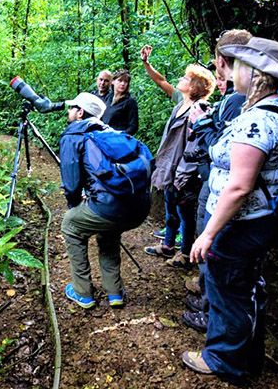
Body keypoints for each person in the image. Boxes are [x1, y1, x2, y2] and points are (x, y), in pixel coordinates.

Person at [181, 37, 278, 384]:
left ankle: (223, 361)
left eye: (238, 66)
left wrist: (208, 233)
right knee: (245, 288)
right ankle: (248, 357)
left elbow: (239, 186)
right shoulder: (272, 109)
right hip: (256, 222)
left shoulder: (259, 121)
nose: (231, 71)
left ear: (255, 73)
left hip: (242, 224)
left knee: (228, 291)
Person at [182, 29, 252, 333]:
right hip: (222, 190)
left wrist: (202, 125)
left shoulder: (241, 101)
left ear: (222, 61)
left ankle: (218, 333)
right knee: (218, 262)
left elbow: (221, 151)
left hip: (229, 196)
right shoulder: (243, 99)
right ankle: (209, 305)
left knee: (220, 261)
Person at [59, 92, 149, 309]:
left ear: (80, 113)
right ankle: (114, 292)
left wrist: (75, 205)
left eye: (72, 108)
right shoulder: (110, 132)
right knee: (108, 233)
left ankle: (83, 293)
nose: (68, 112)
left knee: (70, 224)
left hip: (109, 207)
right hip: (138, 206)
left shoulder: (74, 135)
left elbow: (71, 186)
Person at [140, 45, 216, 268]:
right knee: (170, 208)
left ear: (194, 87)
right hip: (170, 168)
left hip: (185, 172)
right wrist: (146, 63)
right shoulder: (181, 103)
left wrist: (184, 174)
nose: (180, 79)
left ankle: (185, 254)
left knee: (184, 212)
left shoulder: (200, 109)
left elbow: (196, 146)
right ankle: (168, 245)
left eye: (185, 77)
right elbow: (160, 81)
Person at [101, 70, 139, 134]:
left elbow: (133, 127)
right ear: (113, 81)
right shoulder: (108, 97)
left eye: (126, 81)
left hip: (119, 140)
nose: (123, 84)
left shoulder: (130, 101)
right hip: (104, 137)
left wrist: (120, 135)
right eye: (120, 81)